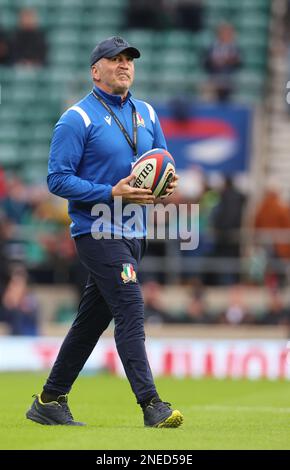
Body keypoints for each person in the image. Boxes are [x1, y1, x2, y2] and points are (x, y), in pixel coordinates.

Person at [26, 36, 183, 428]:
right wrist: (109, 191)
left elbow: (161, 161)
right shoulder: (76, 119)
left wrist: (167, 183)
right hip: (96, 231)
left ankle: (50, 399)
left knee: (90, 322)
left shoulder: (146, 112)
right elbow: (56, 179)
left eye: (129, 59)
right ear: (95, 70)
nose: (124, 64)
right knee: (130, 308)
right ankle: (152, 405)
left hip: (134, 232)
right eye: (114, 59)